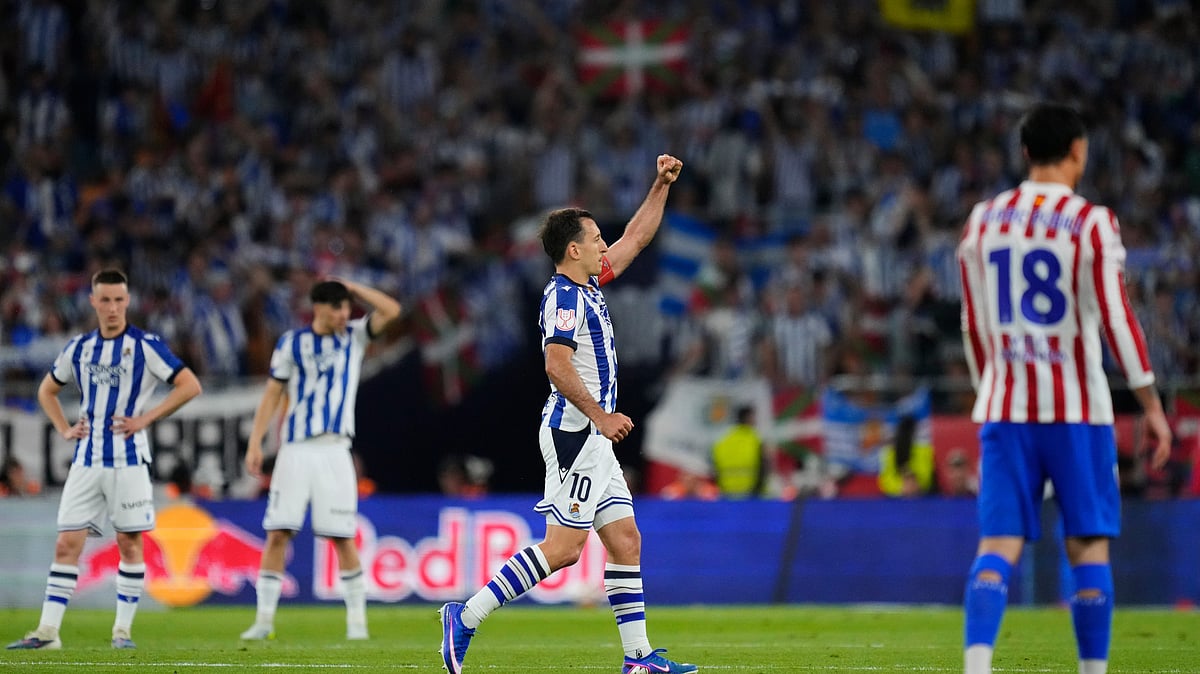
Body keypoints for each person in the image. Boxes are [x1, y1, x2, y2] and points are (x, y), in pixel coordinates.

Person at [439, 154, 696, 674]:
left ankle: (638, 658)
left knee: (626, 540)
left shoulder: (589, 284)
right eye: (597, 237)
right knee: (563, 550)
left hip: (593, 437)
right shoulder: (562, 298)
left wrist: (660, 186)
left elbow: (636, 240)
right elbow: (556, 365)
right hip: (576, 432)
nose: (606, 243)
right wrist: (600, 416)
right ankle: (465, 615)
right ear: (573, 249)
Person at [956, 103, 1172, 674]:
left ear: (1025, 152)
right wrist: (1150, 403)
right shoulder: (1091, 221)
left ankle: (977, 667)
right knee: (1087, 544)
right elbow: (1118, 318)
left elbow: (973, 323)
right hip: (1078, 412)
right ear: (1078, 151)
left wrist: (990, 389)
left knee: (998, 543)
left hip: (1006, 407)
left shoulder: (984, 219)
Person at [6, 268, 203, 650]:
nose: (112, 307)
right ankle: (47, 633)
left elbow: (190, 384)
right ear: (93, 302)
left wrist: (145, 418)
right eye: (105, 300)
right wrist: (64, 428)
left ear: (127, 302)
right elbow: (47, 391)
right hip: (86, 461)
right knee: (66, 544)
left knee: (129, 544)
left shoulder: (145, 345)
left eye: (119, 300)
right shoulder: (79, 348)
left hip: (128, 461)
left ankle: (122, 632)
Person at [239, 278, 401, 642]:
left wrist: (355, 288)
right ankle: (264, 621)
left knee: (343, 536)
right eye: (339, 307)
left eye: (348, 307)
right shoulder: (292, 343)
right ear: (319, 308)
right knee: (278, 532)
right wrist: (255, 442)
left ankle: (357, 624)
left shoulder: (355, 337)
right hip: (295, 449)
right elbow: (272, 394)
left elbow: (392, 310)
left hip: (335, 450)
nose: (345, 314)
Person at [711, 406, 766, 497]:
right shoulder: (755, 439)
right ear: (747, 418)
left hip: (726, 491)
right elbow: (763, 466)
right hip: (750, 492)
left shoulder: (723, 440)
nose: (755, 421)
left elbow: (715, 467)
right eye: (753, 417)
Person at [876, 414, 934, 497]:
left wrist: (915, 485)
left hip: (921, 495)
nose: (905, 434)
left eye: (908, 430)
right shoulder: (889, 452)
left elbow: (926, 476)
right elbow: (886, 480)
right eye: (903, 430)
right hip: (895, 498)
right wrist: (901, 488)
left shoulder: (923, 449)